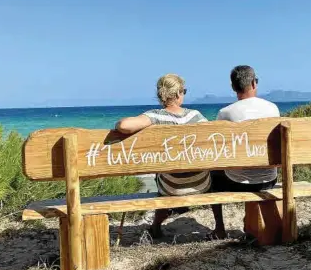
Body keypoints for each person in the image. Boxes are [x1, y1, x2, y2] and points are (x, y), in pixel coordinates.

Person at [115, 73, 210, 238]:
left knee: (162, 172)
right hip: (201, 185)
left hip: (170, 187)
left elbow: (124, 125)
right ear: (179, 93)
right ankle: (220, 227)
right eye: (184, 91)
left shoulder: (155, 116)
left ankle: (156, 226)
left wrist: (117, 123)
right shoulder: (196, 116)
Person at [209, 65, 280, 239]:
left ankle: (219, 229)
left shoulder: (225, 113)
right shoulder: (273, 109)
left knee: (212, 174)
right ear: (254, 83)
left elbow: (218, 150)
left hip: (236, 181)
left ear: (233, 87)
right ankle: (251, 222)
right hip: (269, 179)